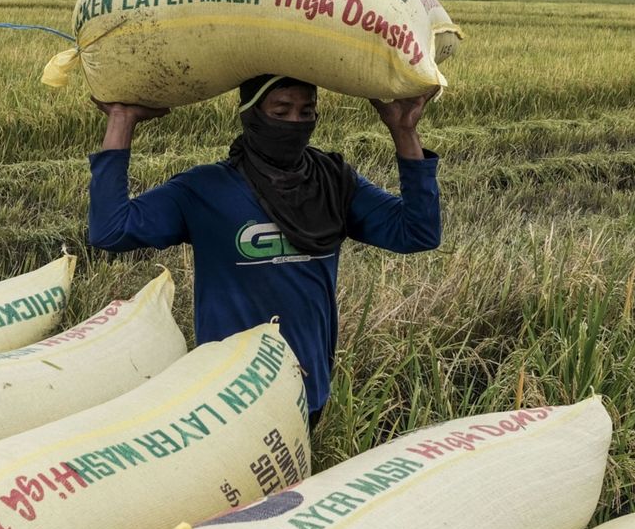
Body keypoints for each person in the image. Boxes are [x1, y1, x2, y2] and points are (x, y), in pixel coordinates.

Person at [88, 75, 441, 430]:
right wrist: (122, 122)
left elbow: (417, 232)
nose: (295, 123)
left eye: (307, 112)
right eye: (281, 110)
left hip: (307, 386)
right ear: (251, 114)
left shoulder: (334, 184)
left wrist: (403, 131)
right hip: (227, 393)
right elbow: (111, 230)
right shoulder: (206, 189)